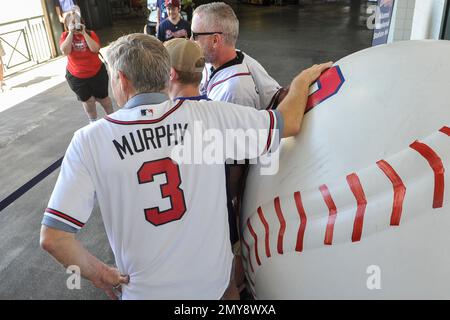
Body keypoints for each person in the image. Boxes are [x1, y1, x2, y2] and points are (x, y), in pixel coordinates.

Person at [39, 32, 332, 299]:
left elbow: (54, 237)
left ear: (122, 80)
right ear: (166, 76)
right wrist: (302, 80)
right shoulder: (209, 116)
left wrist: (103, 276)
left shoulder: (89, 141)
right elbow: (289, 122)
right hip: (213, 286)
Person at [191, 2, 286, 293]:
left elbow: (233, 162)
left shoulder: (234, 90)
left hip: (239, 176)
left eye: (196, 35)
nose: (191, 40)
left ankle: (237, 282)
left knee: (231, 241)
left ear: (215, 39)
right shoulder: (235, 60)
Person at [60, 9, 113, 123]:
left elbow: (95, 49)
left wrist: (83, 33)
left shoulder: (90, 33)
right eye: (71, 23)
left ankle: (113, 119)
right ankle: (93, 121)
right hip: (77, 76)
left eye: (76, 22)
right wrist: (70, 33)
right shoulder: (65, 36)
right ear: (67, 25)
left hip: (97, 73)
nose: (75, 25)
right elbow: (65, 51)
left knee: (104, 99)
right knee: (88, 101)